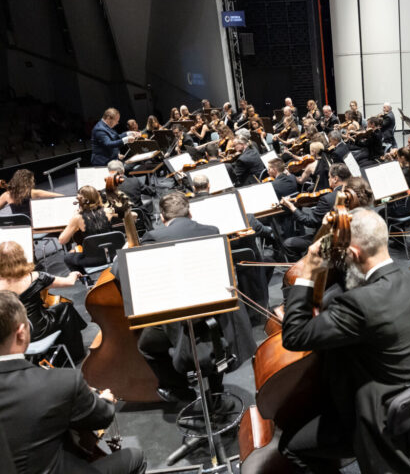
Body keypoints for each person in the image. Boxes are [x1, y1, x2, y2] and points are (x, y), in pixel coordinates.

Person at [279, 208, 410, 473]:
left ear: (353, 254)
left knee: (291, 447)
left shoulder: (359, 304)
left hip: (377, 419)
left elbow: (294, 335)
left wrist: (308, 267)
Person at [0, 291, 146, 474]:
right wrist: (106, 400)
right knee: (134, 457)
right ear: (21, 333)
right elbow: (101, 417)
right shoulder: (62, 382)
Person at [137, 192, 255, 402]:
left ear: (162, 218)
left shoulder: (154, 238)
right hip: (216, 310)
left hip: (181, 315)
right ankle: (216, 390)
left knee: (146, 346)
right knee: (214, 340)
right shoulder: (212, 230)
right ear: (189, 212)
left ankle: (183, 391)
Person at [0, 241, 86, 362]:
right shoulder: (36, 277)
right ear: (21, 257)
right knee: (65, 307)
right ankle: (75, 355)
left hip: (12, 333)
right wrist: (74, 273)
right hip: (40, 329)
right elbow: (69, 282)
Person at [281, 163, 351, 261]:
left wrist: (291, 206)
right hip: (350, 236)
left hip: (330, 239)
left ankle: (302, 268)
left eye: (329, 177)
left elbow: (309, 221)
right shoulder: (355, 193)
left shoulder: (327, 199)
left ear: (335, 179)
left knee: (288, 243)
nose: (328, 180)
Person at [59, 186, 115, 273]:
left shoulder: (77, 218)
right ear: (98, 196)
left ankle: (87, 280)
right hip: (114, 254)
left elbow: (62, 240)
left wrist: (74, 218)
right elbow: (133, 215)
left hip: (93, 260)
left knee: (68, 258)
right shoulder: (109, 211)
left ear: (80, 201)